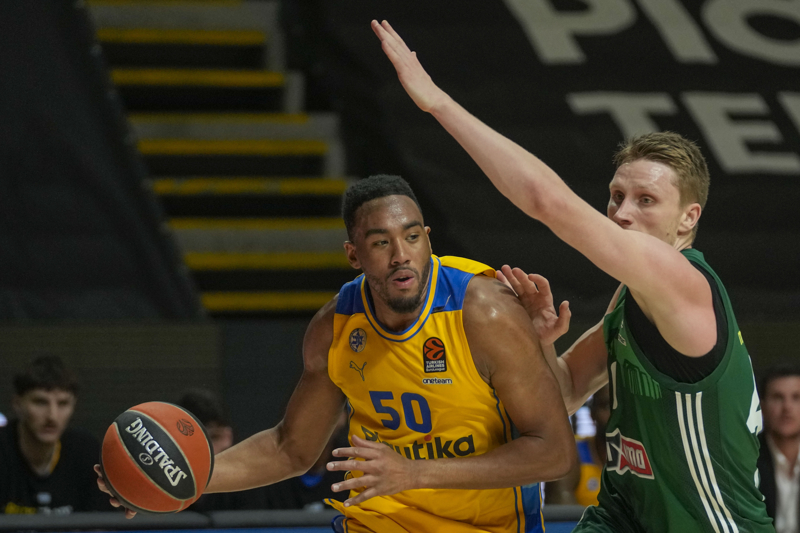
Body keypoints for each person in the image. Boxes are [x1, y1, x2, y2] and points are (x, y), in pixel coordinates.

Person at [371, 20, 773, 532]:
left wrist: (437, 103)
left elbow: (547, 201)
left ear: (688, 218)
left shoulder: (683, 281)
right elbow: (565, 392)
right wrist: (541, 342)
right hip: (624, 516)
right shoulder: (631, 295)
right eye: (617, 196)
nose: (622, 213)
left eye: (646, 201)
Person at [98, 174, 575, 532]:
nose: (401, 255)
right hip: (377, 522)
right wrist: (174, 478)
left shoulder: (485, 313)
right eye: (381, 243)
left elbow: (554, 452)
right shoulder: (334, 327)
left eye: (412, 237)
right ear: (353, 255)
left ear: (428, 238)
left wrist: (413, 472)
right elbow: (290, 448)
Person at [1, 355, 110, 514]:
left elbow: (106, 523)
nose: (52, 416)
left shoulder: (86, 453)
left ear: (73, 406)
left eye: (63, 403)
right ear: (17, 404)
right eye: (40, 402)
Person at [546, 386, 610, 506]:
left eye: (624, 407)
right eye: (607, 406)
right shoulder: (571, 453)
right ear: (592, 413)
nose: (615, 415)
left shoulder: (645, 456)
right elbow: (562, 514)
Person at [757, 365, 800, 533]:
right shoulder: (747, 457)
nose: (787, 407)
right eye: (777, 397)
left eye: (796, 397)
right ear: (762, 406)